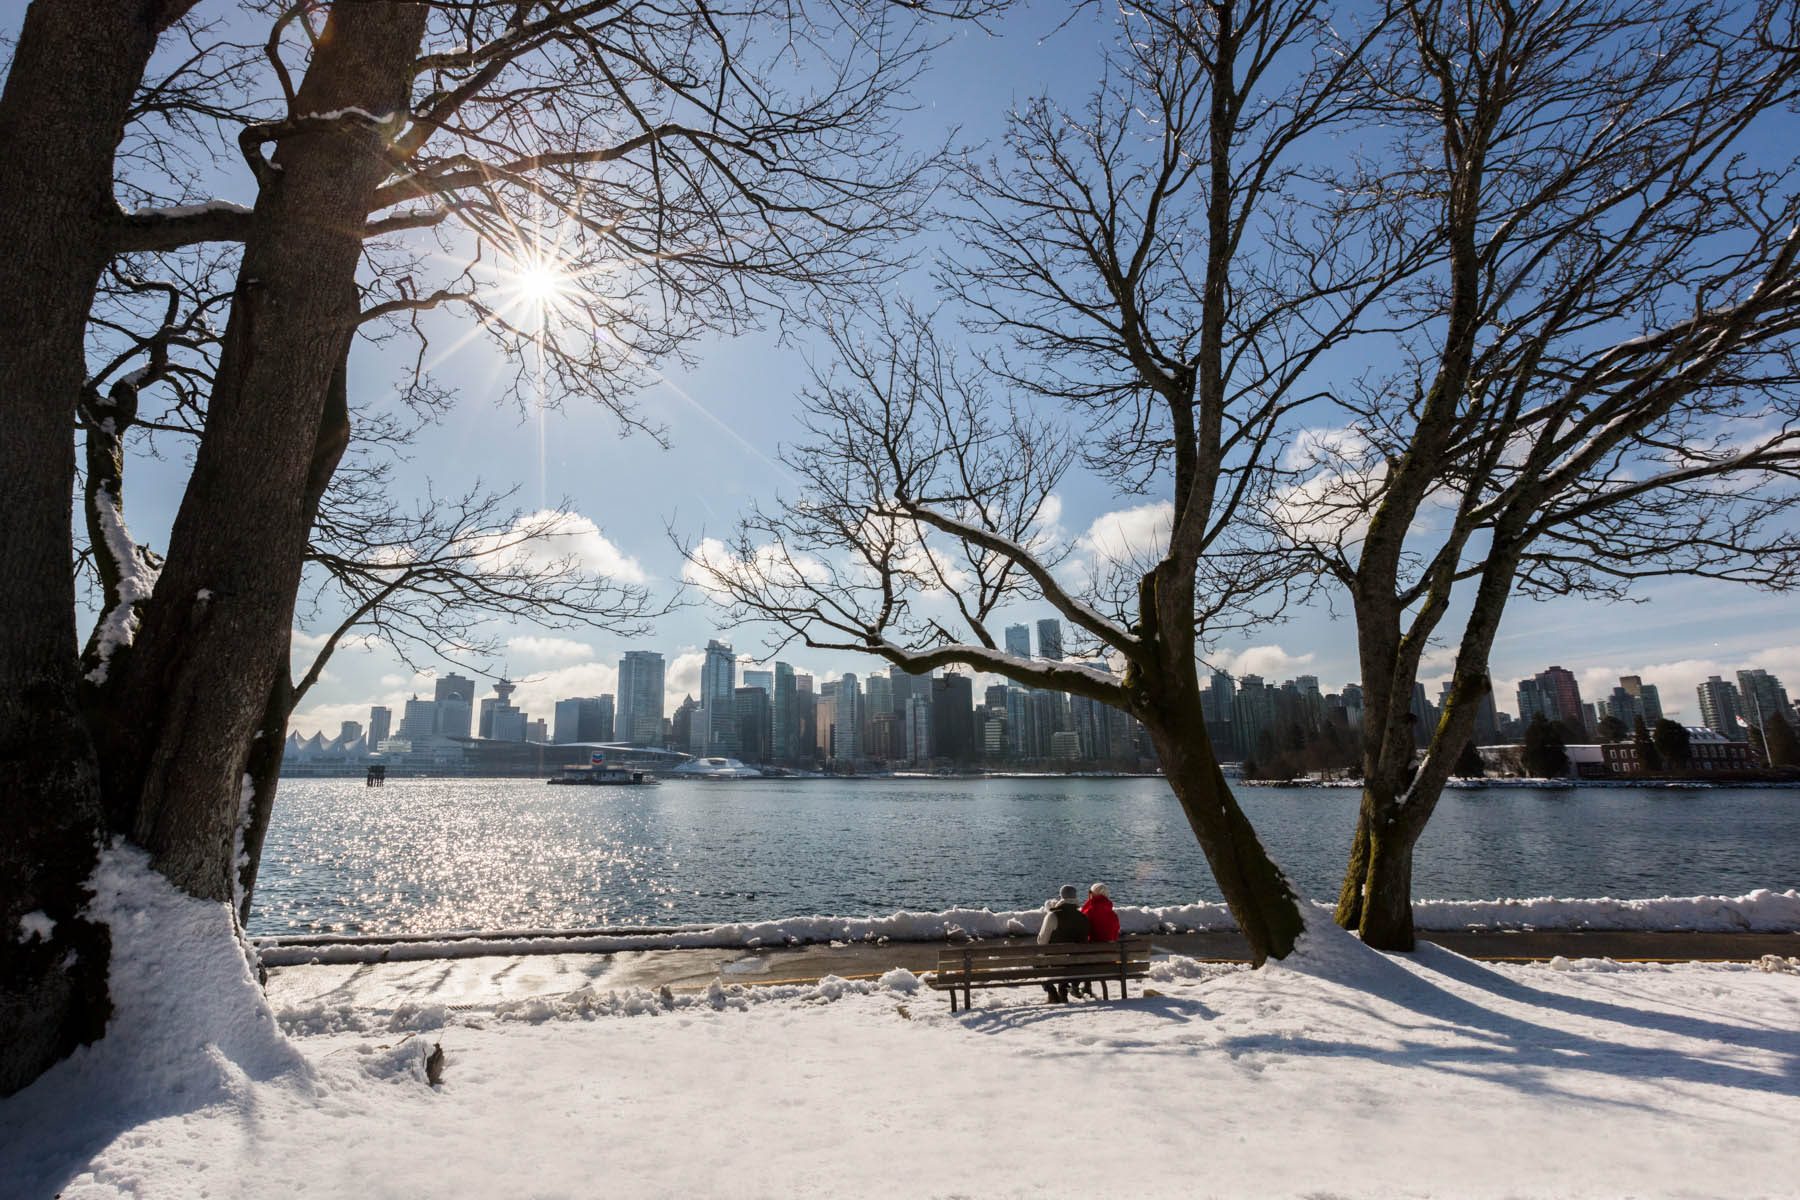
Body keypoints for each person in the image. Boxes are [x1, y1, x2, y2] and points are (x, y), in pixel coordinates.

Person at [1037, 883, 1090, 1003]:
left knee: (1037, 962)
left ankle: (1052, 992)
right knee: (1068, 959)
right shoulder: (1083, 917)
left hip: (1056, 962)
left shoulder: (1053, 916)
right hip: (1076, 964)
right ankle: (1063, 990)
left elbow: (1041, 942)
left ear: (1061, 896)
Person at [1071, 883, 1120, 997]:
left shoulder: (1089, 912)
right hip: (1108, 961)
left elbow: (1081, 934)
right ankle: (1087, 987)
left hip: (1090, 960)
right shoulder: (1112, 915)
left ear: (1093, 894)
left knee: (1083, 951)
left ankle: (1077, 987)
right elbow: (1114, 937)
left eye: (1090, 892)